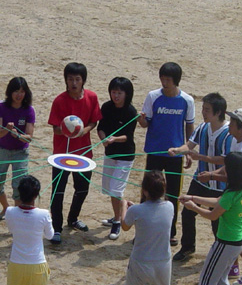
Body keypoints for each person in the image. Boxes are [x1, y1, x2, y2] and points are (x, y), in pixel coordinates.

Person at [181, 151, 242, 285]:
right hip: (237, 243)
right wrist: (192, 198)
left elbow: (213, 215)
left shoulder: (231, 193)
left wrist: (193, 207)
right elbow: (218, 201)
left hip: (225, 243)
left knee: (206, 284)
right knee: (220, 281)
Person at [199, 108, 242, 285]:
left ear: (241, 127)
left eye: (234, 121)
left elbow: (233, 175)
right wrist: (213, 173)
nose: (229, 124)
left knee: (240, 237)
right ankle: (234, 266)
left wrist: (212, 176)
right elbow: (229, 165)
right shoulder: (237, 141)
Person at [168, 93, 233, 261]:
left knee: (217, 220)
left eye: (207, 110)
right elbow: (189, 145)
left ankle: (220, 252)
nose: (203, 113)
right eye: (203, 109)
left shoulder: (227, 133)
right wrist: (177, 150)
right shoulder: (203, 128)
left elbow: (226, 160)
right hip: (201, 180)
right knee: (187, 212)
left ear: (218, 112)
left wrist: (201, 158)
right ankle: (188, 247)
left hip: (219, 185)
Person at [138, 62, 195, 246]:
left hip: (175, 154)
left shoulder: (187, 100)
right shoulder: (153, 96)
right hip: (155, 150)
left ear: (176, 80)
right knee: (147, 191)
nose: (164, 82)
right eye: (162, 78)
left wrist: (187, 150)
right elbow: (146, 123)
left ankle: (170, 232)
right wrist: (141, 120)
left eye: (168, 79)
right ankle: (142, 229)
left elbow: (189, 125)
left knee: (172, 194)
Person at [47, 62, 102, 244]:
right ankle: (56, 228)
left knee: (82, 189)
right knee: (58, 192)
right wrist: (66, 130)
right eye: (70, 79)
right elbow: (55, 128)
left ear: (83, 80)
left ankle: (73, 218)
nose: (74, 83)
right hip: (62, 154)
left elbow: (94, 121)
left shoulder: (92, 98)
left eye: (77, 79)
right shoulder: (60, 100)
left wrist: (85, 130)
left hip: (83, 153)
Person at [121, 170, 173, 285]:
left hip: (141, 263)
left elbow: (125, 226)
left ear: (144, 190)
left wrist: (124, 206)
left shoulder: (136, 210)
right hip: (163, 264)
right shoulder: (169, 206)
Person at [5, 175, 54, 285]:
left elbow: (12, 228)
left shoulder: (10, 211)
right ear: (36, 195)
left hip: (16, 265)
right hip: (37, 266)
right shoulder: (43, 214)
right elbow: (50, 235)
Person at [0, 77, 35, 221]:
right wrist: (8, 130)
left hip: (20, 152)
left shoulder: (29, 110)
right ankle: (6, 208)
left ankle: (17, 218)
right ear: (10, 92)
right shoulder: (1, 106)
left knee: (19, 187)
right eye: (16, 91)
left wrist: (17, 135)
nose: (19, 95)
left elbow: (29, 137)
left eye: (22, 91)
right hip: (1, 150)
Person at [98, 77, 137, 240]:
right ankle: (121, 208)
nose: (116, 96)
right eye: (113, 92)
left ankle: (117, 220)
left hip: (125, 156)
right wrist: (103, 139)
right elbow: (101, 128)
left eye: (119, 93)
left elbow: (128, 136)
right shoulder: (106, 107)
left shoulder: (130, 111)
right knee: (108, 188)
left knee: (115, 189)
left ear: (126, 94)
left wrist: (113, 139)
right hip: (110, 153)